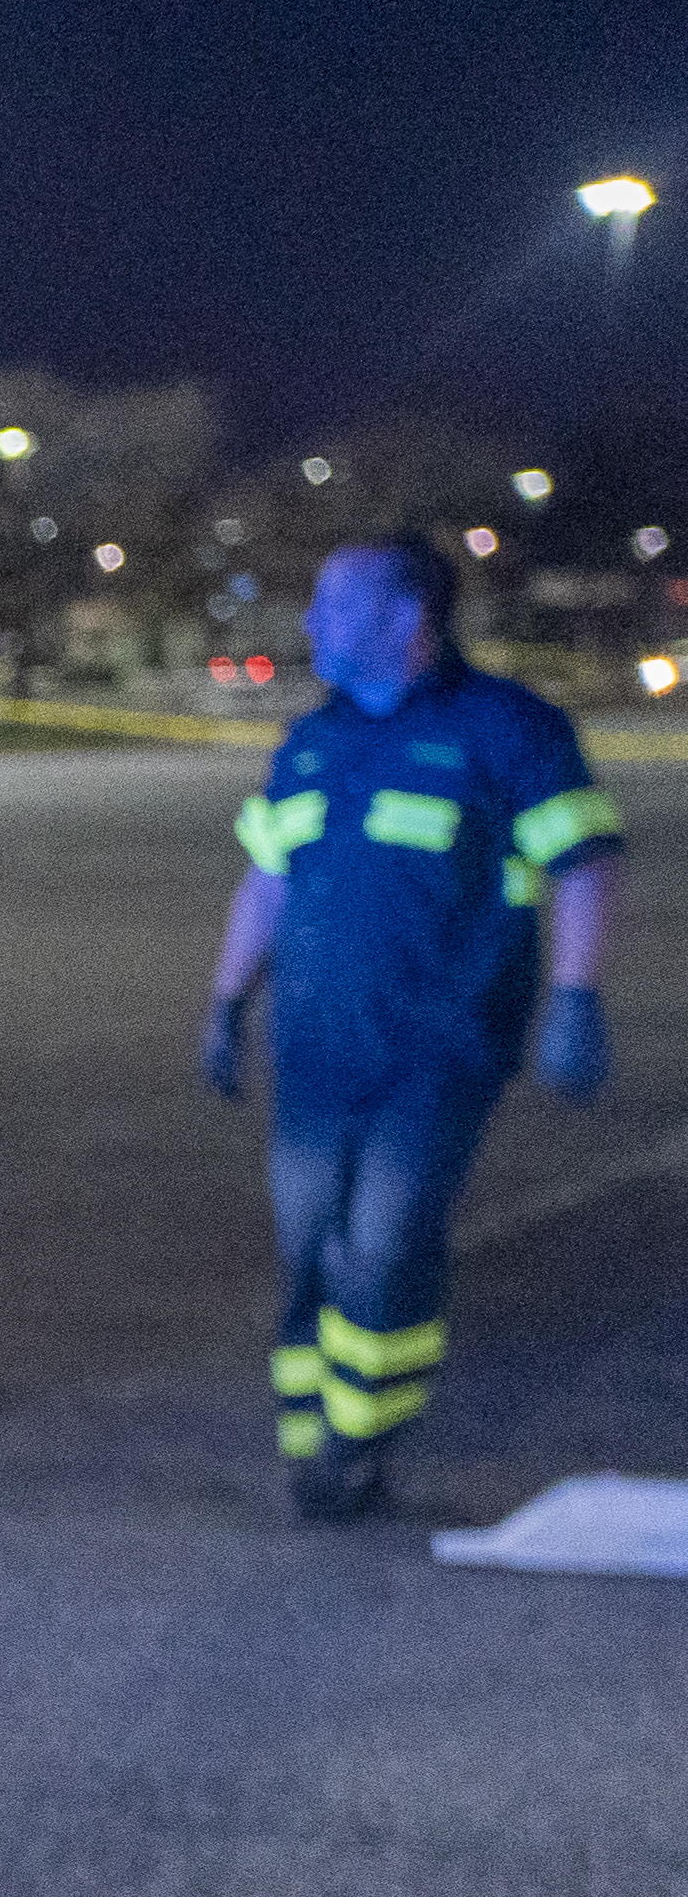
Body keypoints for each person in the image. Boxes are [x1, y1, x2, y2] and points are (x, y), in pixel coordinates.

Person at [201, 533, 624, 1520]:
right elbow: (265, 878)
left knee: (383, 1244)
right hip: (311, 1050)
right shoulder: (311, 741)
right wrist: (225, 1000)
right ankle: (310, 1439)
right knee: (309, 1247)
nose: (308, 624)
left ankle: (360, 1443)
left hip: (440, 1049)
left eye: (329, 605)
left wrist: (573, 994)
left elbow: (583, 861)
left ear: (403, 619)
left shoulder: (505, 728)